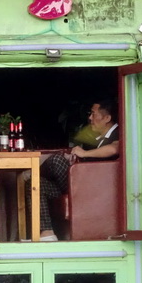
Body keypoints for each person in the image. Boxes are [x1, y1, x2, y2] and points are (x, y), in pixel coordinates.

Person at [38, 100, 120, 241]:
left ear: (107, 118)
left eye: (93, 114)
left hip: (94, 189)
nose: (89, 118)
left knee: (56, 161)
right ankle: (47, 233)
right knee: (37, 185)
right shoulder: (96, 137)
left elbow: (114, 148)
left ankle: (33, 171)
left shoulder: (118, 132)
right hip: (80, 183)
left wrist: (85, 153)